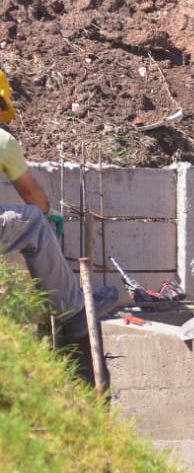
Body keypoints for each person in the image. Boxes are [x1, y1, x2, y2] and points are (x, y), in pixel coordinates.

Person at [0, 65, 116, 347]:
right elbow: (33, 196)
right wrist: (49, 214)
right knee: (32, 222)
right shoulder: (3, 141)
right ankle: (75, 312)